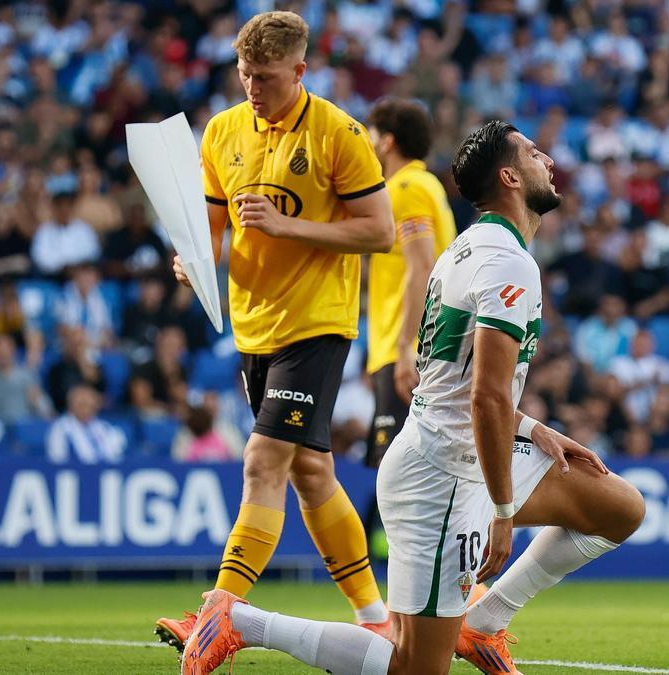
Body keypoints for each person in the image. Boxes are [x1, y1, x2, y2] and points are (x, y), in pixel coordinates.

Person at [182, 122, 644, 675]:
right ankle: (241, 620)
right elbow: (485, 397)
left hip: (462, 452)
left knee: (619, 508)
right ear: (509, 177)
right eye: (532, 152)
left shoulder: (467, 250)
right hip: (442, 480)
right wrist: (501, 513)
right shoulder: (506, 263)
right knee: (413, 668)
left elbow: (454, 385)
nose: (547, 159)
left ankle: (484, 622)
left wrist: (532, 429)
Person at [160, 11, 397, 648]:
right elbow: (213, 227)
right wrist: (195, 260)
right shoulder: (223, 130)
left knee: (262, 459)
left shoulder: (339, 133)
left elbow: (380, 231)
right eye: (244, 75)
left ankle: (219, 614)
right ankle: (376, 619)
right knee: (310, 472)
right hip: (253, 326)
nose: (252, 88)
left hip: (317, 322)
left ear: (300, 70)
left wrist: (287, 226)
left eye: (264, 77)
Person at [362, 98, 456, 467]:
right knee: (398, 474)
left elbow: (422, 267)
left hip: (409, 351)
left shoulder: (406, 188)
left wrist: (405, 348)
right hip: (409, 347)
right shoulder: (424, 184)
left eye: (370, 137)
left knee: (399, 474)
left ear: (387, 142)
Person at [45, 384, 126, 464]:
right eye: (81, 404)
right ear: (70, 405)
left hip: (103, 470)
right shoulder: (60, 428)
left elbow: (115, 456)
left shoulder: (104, 427)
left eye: (88, 404)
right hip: (75, 470)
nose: (85, 408)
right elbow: (57, 459)